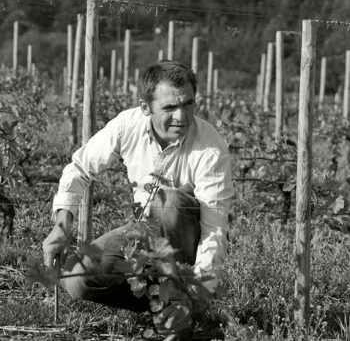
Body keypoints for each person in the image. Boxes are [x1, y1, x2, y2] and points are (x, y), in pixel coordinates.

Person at [42, 59, 233, 331]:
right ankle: (163, 308)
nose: (182, 116)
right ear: (145, 107)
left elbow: (213, 230)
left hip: (188, 241)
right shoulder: (127, 125)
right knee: (77, 278)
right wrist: (62, 225)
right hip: (142, 230)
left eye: (188, 103)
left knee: (170, 202)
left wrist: (195, 293)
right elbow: (79, 168)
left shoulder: (210, 148)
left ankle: (184, 302)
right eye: (169, 107)